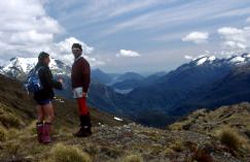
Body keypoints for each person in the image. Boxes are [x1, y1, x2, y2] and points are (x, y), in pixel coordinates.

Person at [33, 52, 63, 144]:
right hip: (45, 96)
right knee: (50, 116)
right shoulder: (44, 69)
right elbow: (49, 82)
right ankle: (46, 137)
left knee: (40, 116)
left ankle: (40, 137)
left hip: (37, 96)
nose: (49, 60)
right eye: (48, 58)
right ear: (44, 59)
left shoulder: (35, 69)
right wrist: (59, 83)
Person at [71, 43, 92, 137]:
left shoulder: (83, 62)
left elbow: (86, 76)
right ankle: (85, 127)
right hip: (77, 88)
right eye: (73, 50)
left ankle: (85, 129)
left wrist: (85, 90)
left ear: (81, 51)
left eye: (76, 50)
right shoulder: (76, 62)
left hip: (80, 88)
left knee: (82, 108)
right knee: (81, 108)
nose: (74, 52)